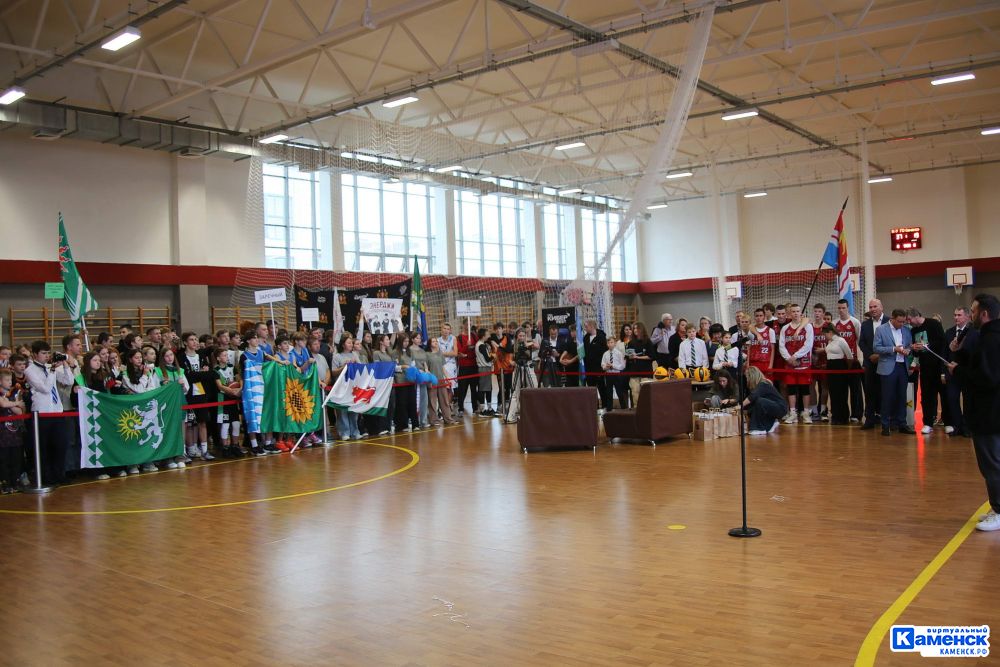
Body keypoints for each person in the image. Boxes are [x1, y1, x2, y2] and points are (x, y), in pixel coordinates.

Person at [945, 294, 1000, 531]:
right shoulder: (986, 338)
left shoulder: (992, 340)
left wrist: (958, 371)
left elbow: (986, 378)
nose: (971, 314)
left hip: (989, 413)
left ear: (984, 313)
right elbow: (980, 366)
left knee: (992, 464)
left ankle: (999, 510)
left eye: (974, 311)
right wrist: (960, 354)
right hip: (990, 412)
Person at [24, 341, 75, 486]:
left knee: (60, 445)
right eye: (43, 353)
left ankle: (59, 474)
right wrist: (52, 371)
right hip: (42, 413)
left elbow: (69, 380)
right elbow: (45, 388)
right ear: (34, 354)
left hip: (57, 411)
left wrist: (65, 365)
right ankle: (46, 477)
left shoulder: (49, 367)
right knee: (44, 448)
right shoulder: (30, 370)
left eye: (48, 353)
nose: (47, 356)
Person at [874, 308, 916, 436]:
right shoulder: (881, 329)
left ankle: (902, 423)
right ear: (892, 318)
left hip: (903, 366)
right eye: (899, 321)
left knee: (902, 396)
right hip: (888, 367)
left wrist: (909, 350)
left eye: (903, 322)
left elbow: (909, 346)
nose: (901, 324)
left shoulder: (906, 330)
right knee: (887, 397)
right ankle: (885, 425)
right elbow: (876, 347)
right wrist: (894, 349)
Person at [179, 332, 218, 460]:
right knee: (189, 423)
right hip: (188, 394)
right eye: (191, 340)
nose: (195, 342)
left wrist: (198, 374)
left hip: (201, 392)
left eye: (196, 339)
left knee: (202, 422)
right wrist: (200, 374)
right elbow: (187, 377)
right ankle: (186, 450)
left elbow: (209, 374)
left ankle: (205, 450)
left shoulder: (201, 356)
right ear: (185, 342)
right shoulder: (181, 357)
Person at [907, 307, 946, 434]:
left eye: (909, 319)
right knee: (926, 396)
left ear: (916, 316)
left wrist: (926, 345)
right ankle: (928, 423)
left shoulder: (933, 324)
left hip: (939, 366)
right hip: (925, 368)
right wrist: (914, 348)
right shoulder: (913, 331)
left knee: (944, 395)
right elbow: (915, 351)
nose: (909, 322)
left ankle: (948, 421)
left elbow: (942, 342)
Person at [944, 306, 978, 437]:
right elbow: (945, 353)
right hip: (952, 372)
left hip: (966, 371)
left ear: (967, 316)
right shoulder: (949, 332)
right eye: (955, 315)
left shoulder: (974, 332)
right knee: (952, 399)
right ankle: (957, 425)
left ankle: (967, 426)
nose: (956, 317)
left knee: (968, 400)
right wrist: (944, 371)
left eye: (959, 315)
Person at [779, 304, 814, 424]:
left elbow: (808, 344)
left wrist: (796, 356)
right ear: (789, 314)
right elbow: (781, 345)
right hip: (790, 364)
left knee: (805, 389)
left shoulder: (808, 327)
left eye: (797, 311)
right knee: (791, 389)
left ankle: (805, 413)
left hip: (803, 363)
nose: (795, 313)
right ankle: (792, 412)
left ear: (801, 313)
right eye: (793, 311)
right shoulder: (785, 328)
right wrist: (789, 358)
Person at [859, 299, 891, 429]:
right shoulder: (865, 324)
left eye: (875, 306)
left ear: (881, 307)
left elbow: (893, 341)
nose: (873, 309)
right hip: (870, 363)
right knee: (870, 392)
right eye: (871, 307)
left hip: (886, 362)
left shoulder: (890, 321)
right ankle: (869, 419)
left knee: (886, 392)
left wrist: (880, 355)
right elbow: (862, 343)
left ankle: (886, 420)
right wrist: (870, 355)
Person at [833, 299, 864, 422]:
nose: (841, 310)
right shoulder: (835, 323)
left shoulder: (855, 322)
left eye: (843, 308)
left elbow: (859, 340)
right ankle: (842, 414)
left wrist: (859, 359)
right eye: (839, 308)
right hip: (839, 361)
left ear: (848, 308)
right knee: (841, 389)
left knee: (855, 389)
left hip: (852, 360)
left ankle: (856, 414)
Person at [212, 347, 246, 457]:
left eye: (227, 355)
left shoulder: (232, 367)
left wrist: (240, 388)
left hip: (233, 399)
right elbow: (220, 386)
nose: (227, 357)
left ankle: (235, 446)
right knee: (225, 425)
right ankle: (225, 448)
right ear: (218, 358)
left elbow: (239, 378)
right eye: (224, 355)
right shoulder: (215, 370)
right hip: (223, 399)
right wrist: (232, 390)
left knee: (236, 423)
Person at [822, 323, 855, 425]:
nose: (825, 336)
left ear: (830, 332)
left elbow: (849, 356)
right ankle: (835, 415)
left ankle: (843, 416)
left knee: (841, 392)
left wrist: (847, 369)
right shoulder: (830, 341)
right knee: (833, 392)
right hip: (830, 367)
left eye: (825, 334)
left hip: (840, 367)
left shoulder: (841, 340)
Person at [331, 336, 363, 440]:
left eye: (351, 343)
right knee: (342, 411)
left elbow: (362, 368)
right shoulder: (337, 356)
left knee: (353, 410)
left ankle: (355, 431)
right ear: (343, 344)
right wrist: (344, 366)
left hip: (353, 386)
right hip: (341, 387)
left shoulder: (354, 354)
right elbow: (333, 372)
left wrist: (356, 363)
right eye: (349, 343)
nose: (351, 345)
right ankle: (344, 432)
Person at [0, 368, 26, 493]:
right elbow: (3, 405)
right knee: (4, 459)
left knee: (15, 458)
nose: (9, 382)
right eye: (6, 380)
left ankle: (14, 482)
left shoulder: (14, 394)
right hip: (2, 433)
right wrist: (14, 403)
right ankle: (5, 483)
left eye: (10, 379)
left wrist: (12, 403)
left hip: (14, 432)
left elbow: (20, 410)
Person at [742, 366, 785, 435]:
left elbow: (752, 397)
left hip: (780, 408)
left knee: (759, 401)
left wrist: (740, 406)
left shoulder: (763, 384)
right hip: (775, 406)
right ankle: (772, 423)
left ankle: (759, 428)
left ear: (752, 377)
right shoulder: (762, 384)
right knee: (752, 408)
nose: (747, 380)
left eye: (747, 377)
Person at [426, 338, 457, 426]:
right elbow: (426, 369)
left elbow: (443, 367)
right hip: (432, 381)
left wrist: (448, 378)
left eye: (436, 341)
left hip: (441, 380)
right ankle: (434, 420)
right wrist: (429, 380)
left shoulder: (440, 353)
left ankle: (448, 418)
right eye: (433, 341)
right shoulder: (427, 354)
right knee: (432, 402)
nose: (435, 343)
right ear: (429, 343)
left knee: (445, 400)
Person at [392, 332, 420, 431]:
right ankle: (402, 425)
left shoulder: (410, 352)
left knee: (412, 402)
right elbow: (393, 367)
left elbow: (413, 364)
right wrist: (403, 367)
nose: (406, 343)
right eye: (404, 341)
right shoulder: (395, 352)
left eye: (408, 341)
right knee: (402, 403)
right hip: (400, 381)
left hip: (410, 380)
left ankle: (415, 424)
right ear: (400, 341)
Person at [626, 322, 655, 406]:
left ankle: (647, 411)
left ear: (642, 329)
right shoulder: (630, 343)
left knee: (646, 393)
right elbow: (627, 356)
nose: (635, 330)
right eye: (634, 328)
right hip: (634, 371)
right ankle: (636, 410)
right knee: (635, 393)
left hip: (646, 371)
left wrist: (638, 357)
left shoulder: (648, 341)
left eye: (637, 328)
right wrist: (630, 357)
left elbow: (652, 356)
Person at [455, 320, 479, 415]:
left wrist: (472, 349)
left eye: (470, 324)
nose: (468, 326)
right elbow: (460, 352)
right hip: (464, 367)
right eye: (466, 324)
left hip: (473, 365)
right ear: (463, 325)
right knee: (462, 389)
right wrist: (467, 346)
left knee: (474, 388)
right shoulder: (459, 338)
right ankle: (460, 408)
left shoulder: (474, 336)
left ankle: (475, 408)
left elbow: (478, 347)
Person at [582, 320, 607, 408]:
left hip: (599, 368)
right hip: (589, 368)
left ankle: (605, 407)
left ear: (592, 326)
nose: (585, 328)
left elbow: (605, 352)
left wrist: (603, 366)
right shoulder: (585, 338)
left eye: (586, 326)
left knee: (602, 388)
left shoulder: (601, 337)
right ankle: (594, 407)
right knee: (592, 389)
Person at [599, 335, 626, 412]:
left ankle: (624, 408)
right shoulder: (605, 354)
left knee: (619, 392)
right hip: (608, 375)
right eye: (608, 342)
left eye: (612, 342)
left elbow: (622, 366)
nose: (610, 344)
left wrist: (613, 366)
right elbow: (602, 364)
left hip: (616, 374)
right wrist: (606, 367)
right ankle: (609, 409)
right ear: (607, 344)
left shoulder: (618, 353)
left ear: (615, 343)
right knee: (609, 393)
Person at [746, 308, 776, 375]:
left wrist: (770, 365)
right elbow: (749, 348)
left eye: (760, 315)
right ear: (754, 317)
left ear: (764, 317)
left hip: (765, 362)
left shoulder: (770, 331)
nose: (759, 318)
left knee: (766, 383)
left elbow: (773, 349)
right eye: (757, 316)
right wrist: (747, 364)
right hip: (753, 362)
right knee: (754, 384)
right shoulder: (751, 332)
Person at [474, 328, 496, 417]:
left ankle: (489, 408)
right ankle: (483, 410)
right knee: (483, 389)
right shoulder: (481, 345)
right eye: (487, 334)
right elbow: (487, 358)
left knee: (488, 388)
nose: (489, 336)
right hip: (483, 368)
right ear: (483, 336)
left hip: (486, 368)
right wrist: (493, 356)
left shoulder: (482, 344)